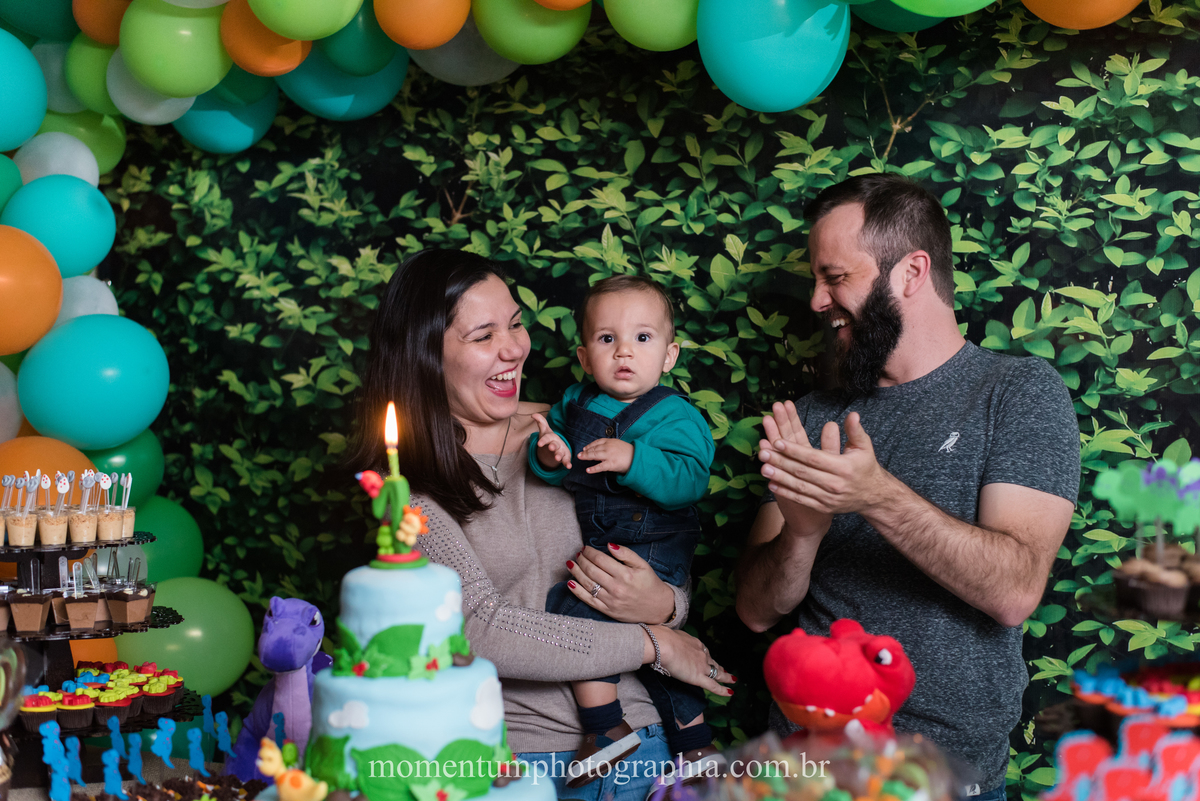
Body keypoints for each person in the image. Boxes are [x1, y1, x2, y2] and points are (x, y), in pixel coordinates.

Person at [735, 174, 1079, 801]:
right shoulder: (812, 415)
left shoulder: (1017, 393)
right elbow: (757, 611)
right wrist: (802, 537)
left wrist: (875, 496)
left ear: (911, 272)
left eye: (835, 277)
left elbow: (1014, 590)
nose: (817, 300)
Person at [349, 250, 733, 801]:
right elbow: (476, 628)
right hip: (517, 764)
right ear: (426, 354)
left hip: (646, 745)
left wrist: (667, 604)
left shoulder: (580, 430)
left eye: (515, 323)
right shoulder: (405, 486)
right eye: (484, 336)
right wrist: (654, 643)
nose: (513, 348)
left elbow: (656, 537)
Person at [529, 276, 718, 785]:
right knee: (652, 645)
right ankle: (696, 744)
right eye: (607, 338)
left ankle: (606, 728)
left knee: (573, 608)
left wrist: (635, 459)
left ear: (669, 355)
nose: (624, 352)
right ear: (585, 357)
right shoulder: (575, 402)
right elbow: (556, 459)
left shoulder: (675, 415)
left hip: (655, 542)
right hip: (608, 540)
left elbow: (689, 480)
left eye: (642, 337)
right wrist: (550, 456)